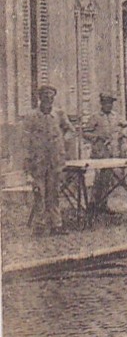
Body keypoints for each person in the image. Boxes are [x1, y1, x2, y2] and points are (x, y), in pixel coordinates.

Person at [22, 86, 76, 234]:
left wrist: (62, 142)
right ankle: (39, 226)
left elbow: (71, 131)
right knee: (39, 193)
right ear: (40, 98)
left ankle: (56, 225)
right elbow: (25, 139)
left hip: (55, 161)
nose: (48, 98)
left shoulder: (59, 114)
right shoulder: (32, 116)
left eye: (51, 96)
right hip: (38, 161)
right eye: (45, 96)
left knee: (54, 193)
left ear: (54, 98)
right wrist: (27, 159)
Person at [81, 92, 127, 212]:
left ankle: (103, 203)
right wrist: (96, 137)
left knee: (107, 179)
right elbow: (85, 133)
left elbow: (126, 126)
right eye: (106, 103)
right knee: (98, 178)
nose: (109, 106)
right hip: (99, 152)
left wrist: (122, 134)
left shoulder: (116, 116)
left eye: (110, 103)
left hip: (112, 151)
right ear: (102, 104)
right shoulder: (95, 117)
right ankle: (93, 203)